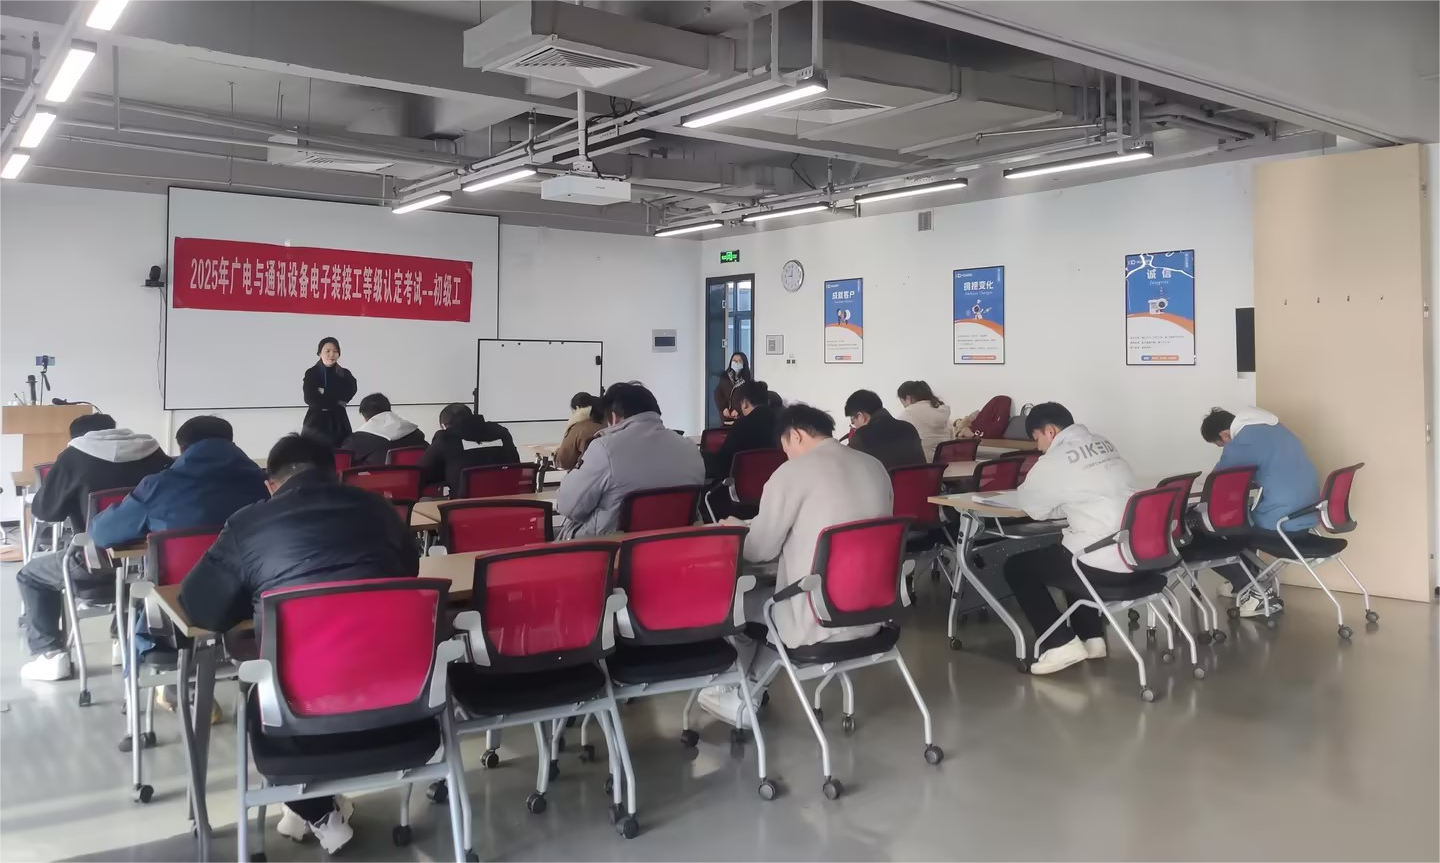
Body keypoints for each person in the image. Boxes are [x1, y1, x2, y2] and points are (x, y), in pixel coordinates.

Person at [178, 432, 419, 853]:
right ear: (336, 474)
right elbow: (407, 577)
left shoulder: (248, 524)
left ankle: (316, 809)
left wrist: (256, 595)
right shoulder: (382, 510)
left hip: (298, 715)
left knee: (263, 686)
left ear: (271, 485)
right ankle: (315, 808)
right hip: (402, 700)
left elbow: (201, 609)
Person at [697, 404, 893, 726]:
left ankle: (738, 693)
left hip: (819, 615)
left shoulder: (792, 473)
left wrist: (737, 529)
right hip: (872, 612)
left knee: (733, 606)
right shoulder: (874, 466)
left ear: (796, 435)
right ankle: (748, 691)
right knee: (775, 606)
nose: (785, 455)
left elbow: (759, 549)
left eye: (785, 447)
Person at [89, 415, 270, 717]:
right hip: (254, 603)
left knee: (141, 597)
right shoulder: (263, 483)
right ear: (231, 443)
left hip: (178, 610)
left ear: (183, 449)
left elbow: (103, 533)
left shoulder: (159, 486)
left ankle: (168, 689)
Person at [16, 413, 173, 682]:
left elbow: (46, 511)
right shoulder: (152, 451)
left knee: (31, 574)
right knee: (131, 573)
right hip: (153, 565)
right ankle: (122, 640)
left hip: (93, 564)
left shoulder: (74, 457)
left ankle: (51, 656)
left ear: (77, 438)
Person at [1003, 403, 1140, 675]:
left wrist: (1059, 505)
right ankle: (1092, 637)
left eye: (1037, 438)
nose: (1038, 447)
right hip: (1139, 556)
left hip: (1103, 564)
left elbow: (1033, 509)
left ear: (1050, 431)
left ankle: (1060, 644)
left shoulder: (1054, 460)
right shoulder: (1103, 443)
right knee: (1068, 550)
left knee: (1018, 568)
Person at [1199, 406, 1320, 615]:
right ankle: (1243, 585)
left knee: (1212, 534)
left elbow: (1219, 480)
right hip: (1307, 515)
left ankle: (1251, 589)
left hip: (1283, 522)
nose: (1225, 447)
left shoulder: (1243, 440)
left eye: (1221, 445)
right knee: (1243, 519)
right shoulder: (1277, 428)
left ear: (1224, 435)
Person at [555, 382, 704, 538]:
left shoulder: (605, 449)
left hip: (612, 547)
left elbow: (567, 506)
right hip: (675, 544)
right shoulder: (690, 448)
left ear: (613, 417)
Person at [417, 403, 520, 496]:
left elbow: (420, 475)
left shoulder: (446, 438)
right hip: (509, 501)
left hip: (466, 506)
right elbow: (516, 463)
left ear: (444, 426)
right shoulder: (501, 432)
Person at [706, 381, 779, 480]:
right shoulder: (780, 423)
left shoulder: (742, 426)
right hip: (772, 482)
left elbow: (723, 461)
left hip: (740, 484)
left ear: (745, 403)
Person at [844, 389, 924, 470]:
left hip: (884, 479)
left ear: (860, 416)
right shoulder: (909, 428)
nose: (854, 426)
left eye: (853, 421)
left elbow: (846, 467)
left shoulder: (861, 437)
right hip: (920, 478)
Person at [341, 393, 428, 466]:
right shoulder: (414, 432)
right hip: (413, 480)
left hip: (374, 480)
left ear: (365, 416)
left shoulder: (359, 439)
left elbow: (342, 460)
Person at [302, 337, 357, 447]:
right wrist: (336, 400)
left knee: (342, 451)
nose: (331, 354)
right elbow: (309, 398)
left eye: (335, 351)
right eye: (327, 351)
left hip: (339, 420)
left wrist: (324, 392)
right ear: (319, 353)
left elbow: (349, 393)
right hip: (315, 420)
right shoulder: (312, 373)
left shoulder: (345, 373)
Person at [897, 381, 952, 461]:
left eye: (902, 402)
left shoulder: (908, 413)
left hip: (921, 464)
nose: (904, 406)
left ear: (908, 398)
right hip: (946, 464)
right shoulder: (943, 412)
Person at [555, 392, 603, 470]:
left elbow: (563, 462)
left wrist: (556, 453)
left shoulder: (577, 428)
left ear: (577, 408)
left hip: (588, 473)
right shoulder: (609, 423)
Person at [713, 352, 752, 425]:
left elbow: (748, 397)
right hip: (726, 415)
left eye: (739, 361)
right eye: (734, 361)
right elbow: (718, 393)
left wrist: (738, 409)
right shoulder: (724, 376)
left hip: (740, 416)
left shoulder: (748, 379)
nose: (736, 363)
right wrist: (723, 408)